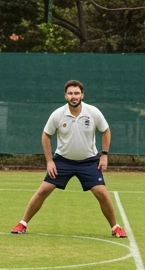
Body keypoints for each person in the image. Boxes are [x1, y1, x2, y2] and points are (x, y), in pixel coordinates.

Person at [10, 80, 128, 238]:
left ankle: (115, 227)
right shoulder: (58, 114)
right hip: (63, 161)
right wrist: (50, 161)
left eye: (77, 93)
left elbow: (106, 131)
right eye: (71, 93)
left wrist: (104, 155)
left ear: (82, 95)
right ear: (65, 96)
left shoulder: (93, 112)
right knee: (43, 190)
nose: (74, 96)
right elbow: (46, 136)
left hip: (89, 162)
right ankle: (22, 223)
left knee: (102, 193)